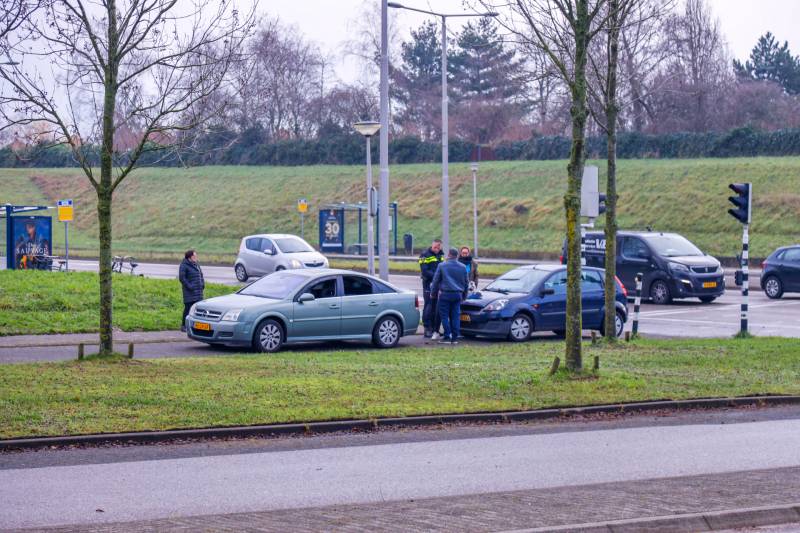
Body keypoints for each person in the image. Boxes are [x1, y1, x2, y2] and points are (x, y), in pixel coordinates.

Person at [430, 248, 469, 344]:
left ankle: (447, 336)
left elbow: (435, 281)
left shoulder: (442, 266)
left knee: (444, 316)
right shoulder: (463, 267)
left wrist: (433, 293)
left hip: (445, 294)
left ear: (449, 255)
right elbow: (466, 283)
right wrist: (464, 296)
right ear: (457, 256)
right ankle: (455, 338)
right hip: (457, 295)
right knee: (455, 316)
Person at [419, 239, 444, 338]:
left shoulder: (441, 255)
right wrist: (437, 277)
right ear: (432, 245)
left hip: (437, 284)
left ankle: (435, 329)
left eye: (438, 247)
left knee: (436, 306)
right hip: (428, 284)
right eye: (435, 247)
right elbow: (424, 271)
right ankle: (427, 328)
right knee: (428, 305)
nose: (436, 249)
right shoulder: (424, 255)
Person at [179, 249, 205, 332]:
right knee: (188, 309)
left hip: (198, 291)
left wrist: (202, 284)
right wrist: (190, 286)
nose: (196, 257)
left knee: (198, 309)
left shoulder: (196, 264)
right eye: (194, 256)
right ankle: (183, 326)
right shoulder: (184, 265)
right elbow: (182, 278)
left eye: (196, 256)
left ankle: (197, 326)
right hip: (189, 292)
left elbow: (201, 274)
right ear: (189, 257)